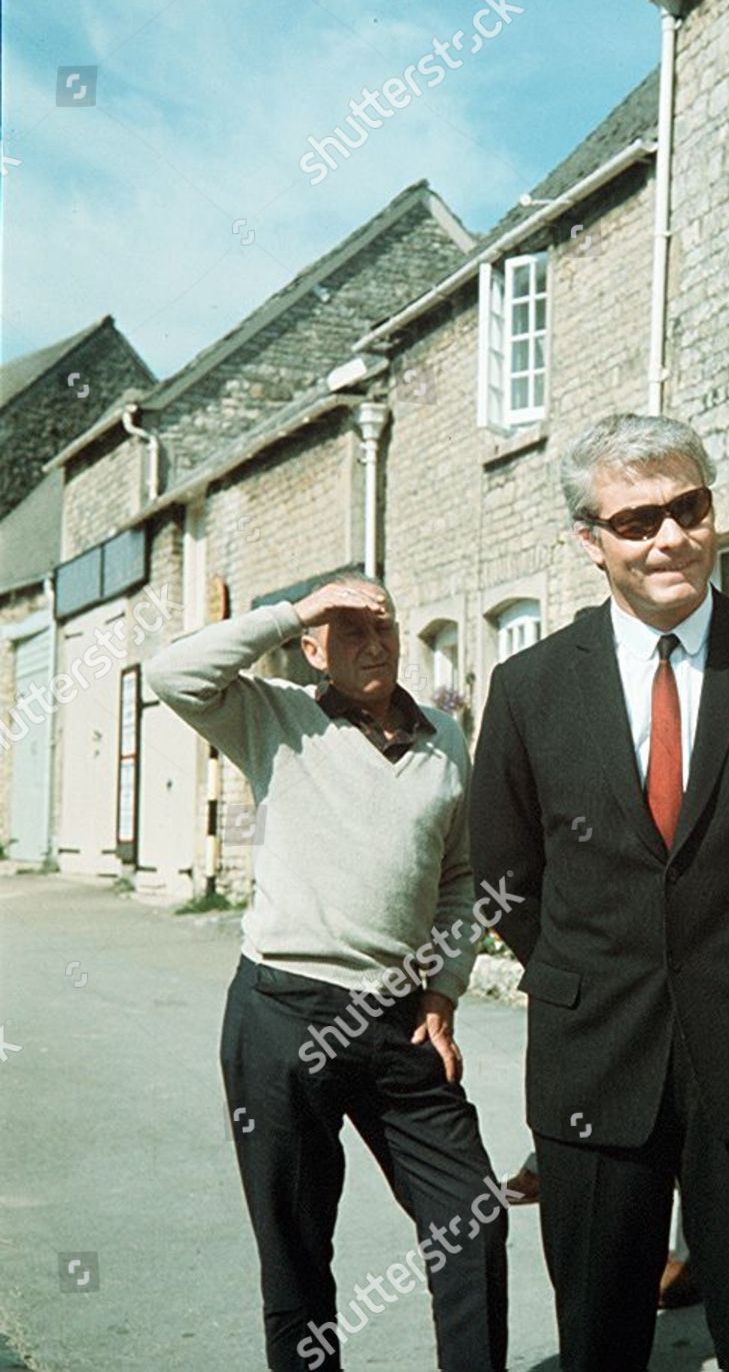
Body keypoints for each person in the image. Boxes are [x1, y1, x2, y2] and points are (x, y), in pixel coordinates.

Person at [469, 413, 729, 1371]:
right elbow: (503, 876)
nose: (668, 538)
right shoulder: (528, 688)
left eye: (688, 508)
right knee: (599, 1339)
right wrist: (593, 967)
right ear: (589, 541)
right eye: (636, 520)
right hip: (596, 1057)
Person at [145, 576, 507, 1372]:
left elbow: (461, 877)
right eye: (346, 630)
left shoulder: (445, 735)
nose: (372, 643)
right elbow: (172, 673)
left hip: (401, 1018)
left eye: (383, 626)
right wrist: (295, 609)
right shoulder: (274, 714)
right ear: (312, 647)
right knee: (298, 1250)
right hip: (283, 1012)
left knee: (471, 1215)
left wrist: (444, 992)